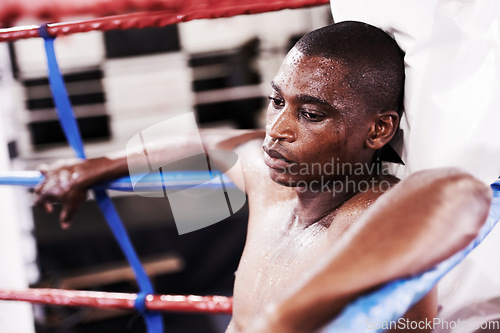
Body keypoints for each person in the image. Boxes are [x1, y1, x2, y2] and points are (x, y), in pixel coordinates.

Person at [34, 21, 491, 332]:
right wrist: (104, 164)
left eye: (310, 113)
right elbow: (212, 143)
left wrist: (291, 318)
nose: (278, 130)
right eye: (278, 102)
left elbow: (446, 200)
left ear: (378, 129)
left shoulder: (370, 221)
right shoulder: (272, 184)